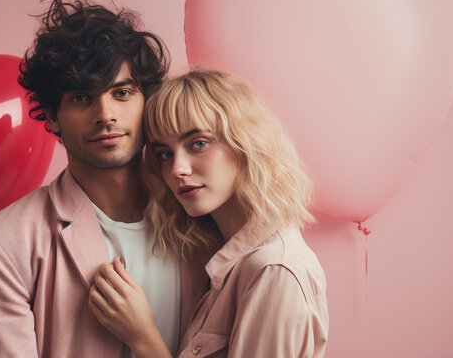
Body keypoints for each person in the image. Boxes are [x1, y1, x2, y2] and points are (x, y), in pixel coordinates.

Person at [0, 0, 209, 357]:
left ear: (147, 101)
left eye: (122, 93)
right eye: (81, 97)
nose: (105, 115)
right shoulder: (2, 245)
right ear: (52, 117)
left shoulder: (199, 216)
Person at [88, 70, 329, 357]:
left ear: (245, 144)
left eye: (198, 144)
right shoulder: (224, 261)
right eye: (165, 153)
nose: (178, 168)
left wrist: (143, 338)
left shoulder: (272, 270)